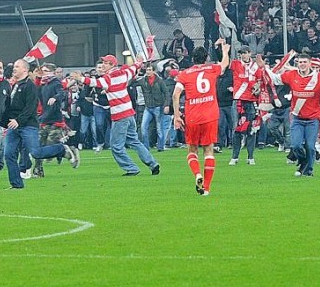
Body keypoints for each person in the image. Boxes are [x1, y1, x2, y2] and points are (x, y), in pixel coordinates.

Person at [71, 54, 160, 176]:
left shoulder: (109, 78)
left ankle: (131, 168)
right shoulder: (124, 73)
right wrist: (139, 62)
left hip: (120, 116)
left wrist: (80, 78)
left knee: (116, 146)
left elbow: (94, 82)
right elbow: (134, 67)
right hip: (129, 113)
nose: (103, 65)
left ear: (112, 65)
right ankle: (153, 164)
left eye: (106, 63)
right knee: (134, 141)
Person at [2, 59, 80, 189]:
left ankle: (62, 149)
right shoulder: (16, 84)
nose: (14, 69)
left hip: (27, 125)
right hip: (14, 125)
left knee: (36, 152)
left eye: (17, 66)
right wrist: (4, 122)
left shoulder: (29, 86)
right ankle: (16, 184)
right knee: (8, 154)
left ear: (25, 70)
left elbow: (30, 107)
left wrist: (18, 121)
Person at [258, 53, 320, 177]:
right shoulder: (292, 75)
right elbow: (275, 79)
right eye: (300, 62)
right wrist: (264, 68)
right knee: (295, 145)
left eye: (304, 62)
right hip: (297, 118)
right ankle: (303, 162)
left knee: (311, 147)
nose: (302, 64)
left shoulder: (319, 78)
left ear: (310, 63)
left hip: (313, 119)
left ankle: (308, 171)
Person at [173, 40, 230, 195]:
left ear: (193, 59)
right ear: (206, 58)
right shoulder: (212, 68)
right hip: (210, 115)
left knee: (192, 149)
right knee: (209, 150)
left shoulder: (184, 74)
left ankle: (197, 174)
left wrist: (177, 115)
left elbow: (175, 94)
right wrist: (224, 50)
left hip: (193, 116)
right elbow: (224, 63)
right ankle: (206, 187)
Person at [228, 45, 263, 166]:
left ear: (250, 53)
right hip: (238, 100)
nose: (243, 55)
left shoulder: (255, 67)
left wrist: (257, 88)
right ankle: (235, 157)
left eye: (245, 53)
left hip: (251, 101)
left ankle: (250, 157)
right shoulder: (236, 64)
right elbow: (224, 61)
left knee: (251, 130)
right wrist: (222, 48)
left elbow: (260, 81)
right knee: (236, 129)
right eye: (241, 53)